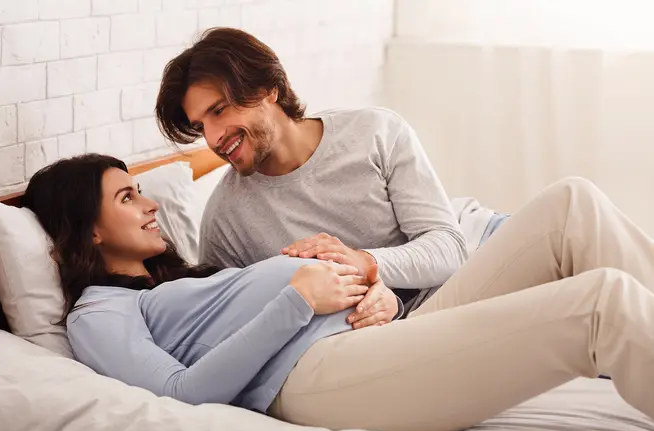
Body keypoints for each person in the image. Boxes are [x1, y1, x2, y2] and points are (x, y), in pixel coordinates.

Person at [23, 152, 654, 431]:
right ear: (89, 229)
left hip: (370, 344)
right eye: (127, 197)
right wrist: (298, 300)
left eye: (141, 189)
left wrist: (369, 292)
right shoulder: (99, 313)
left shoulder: (182, 278)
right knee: (601, 303)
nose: (151, 202)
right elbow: (180, 394)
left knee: (573, 204)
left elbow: (290, 304)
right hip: (314, 384)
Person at [154, 27, 507, 329]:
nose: (214, 138)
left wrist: (364, 263)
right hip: (404, 326)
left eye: (219, 110)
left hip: (479, 245)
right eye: (201, 126)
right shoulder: (225, 221)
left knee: (562, 215)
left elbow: (449, 248)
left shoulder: (375, 132)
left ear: (267, 89)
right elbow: (233, 321)